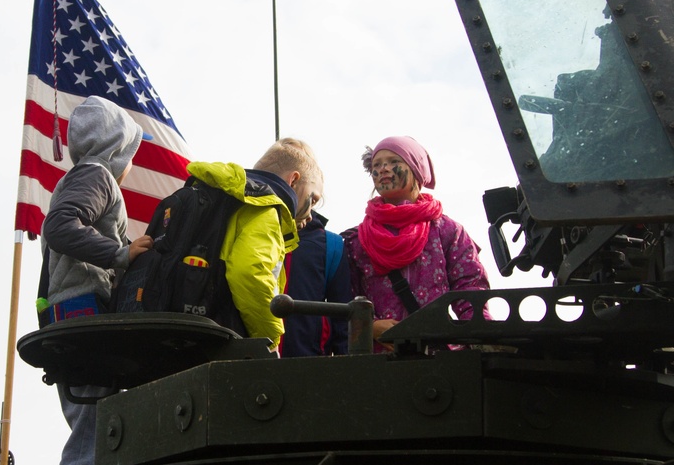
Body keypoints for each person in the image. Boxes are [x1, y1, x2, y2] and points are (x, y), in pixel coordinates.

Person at [39, 95, 154, 465]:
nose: (131, 167)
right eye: (129, 154)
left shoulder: (80, 179)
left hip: (72, 317)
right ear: (115, 150)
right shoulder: (97, 176)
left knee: (95, 427)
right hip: (81, 318)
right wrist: (121, 254)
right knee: (92, 431)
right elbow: (60, 228)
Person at [344, 136, 489, 352]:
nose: (383, 169)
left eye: (394, 161)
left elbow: (470, 291)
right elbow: (346, 298)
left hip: (440, 356)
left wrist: (482, 339)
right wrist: (370, 325)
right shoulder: (356, 240)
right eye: (377, 164)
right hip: (380, 361)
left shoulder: (448, 231)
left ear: (416, 169)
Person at [185, 137, 323, 348]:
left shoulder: (217, 196)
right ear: (293, 180)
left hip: (182, 326)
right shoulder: (266, 210)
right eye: (312, 199)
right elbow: (249, 272)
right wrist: (270, 338)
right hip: (221, 338)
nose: (311, 214)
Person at [279, 210, 351, 357]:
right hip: (252, 354)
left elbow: (343, 317)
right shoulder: (252, 229)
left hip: (309, 358)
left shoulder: (331, 244)